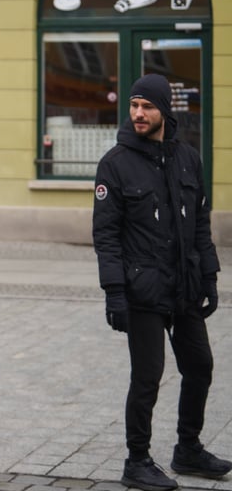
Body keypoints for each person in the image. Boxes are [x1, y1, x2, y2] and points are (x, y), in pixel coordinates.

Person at [93, 73, 231, 491]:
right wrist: (114, 293)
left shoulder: (188, 158)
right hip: (142, 290)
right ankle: (137, 461)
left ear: (164, 112)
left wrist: (208, 276)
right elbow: (106, 236)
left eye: (147, 106)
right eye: (134, 105)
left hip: (184, 286)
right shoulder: (114, 164)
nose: (138, 113)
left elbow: (200, 224)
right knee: (148, 376)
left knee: (201, 367)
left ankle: (187, 448)